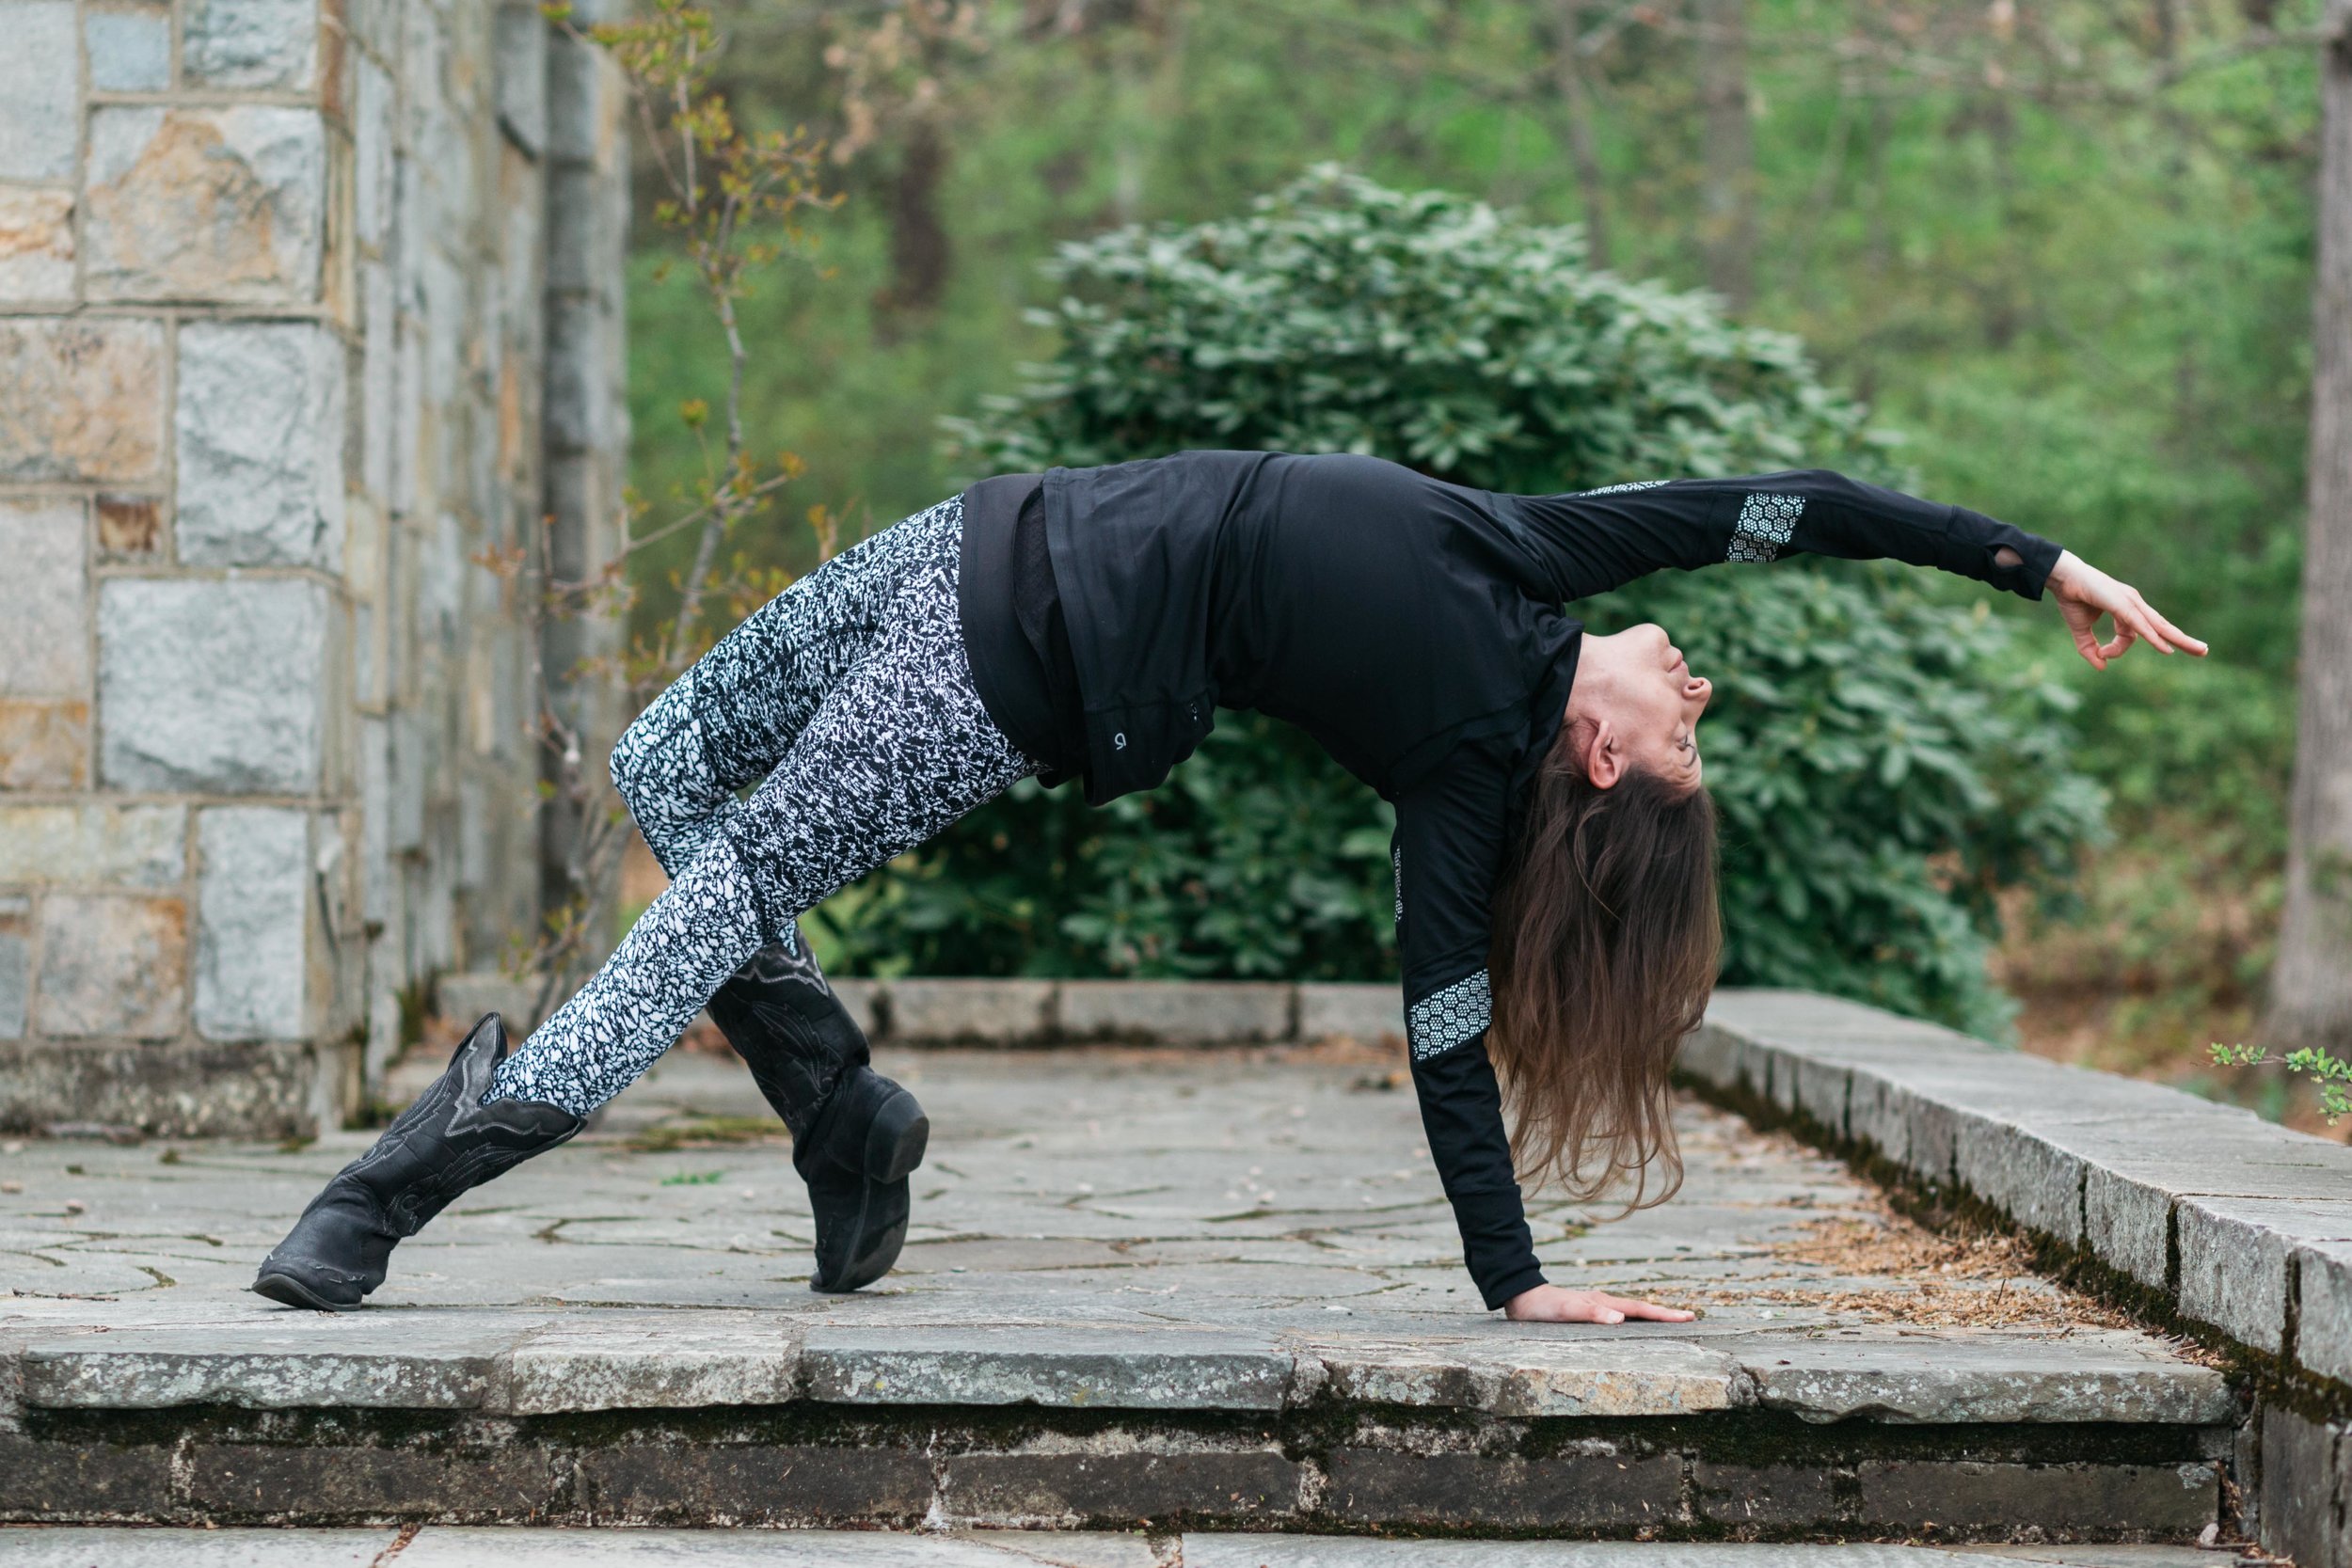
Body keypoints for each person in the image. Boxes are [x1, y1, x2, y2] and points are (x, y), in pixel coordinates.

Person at [251, 451, 2202, 1320]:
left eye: (1680, 724)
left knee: (712, 885)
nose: (1690, 676)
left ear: (1600, 763)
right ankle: (845, 1118)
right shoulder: (1535, 560)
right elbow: (1807, 508)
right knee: (661, 762)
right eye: (1690, 693)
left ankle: (394, 1194)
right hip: (969, 536)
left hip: (1001, 680)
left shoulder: (1456, 777)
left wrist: (1512, 1284)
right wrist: (2039, 570)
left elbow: (1442, 1029)